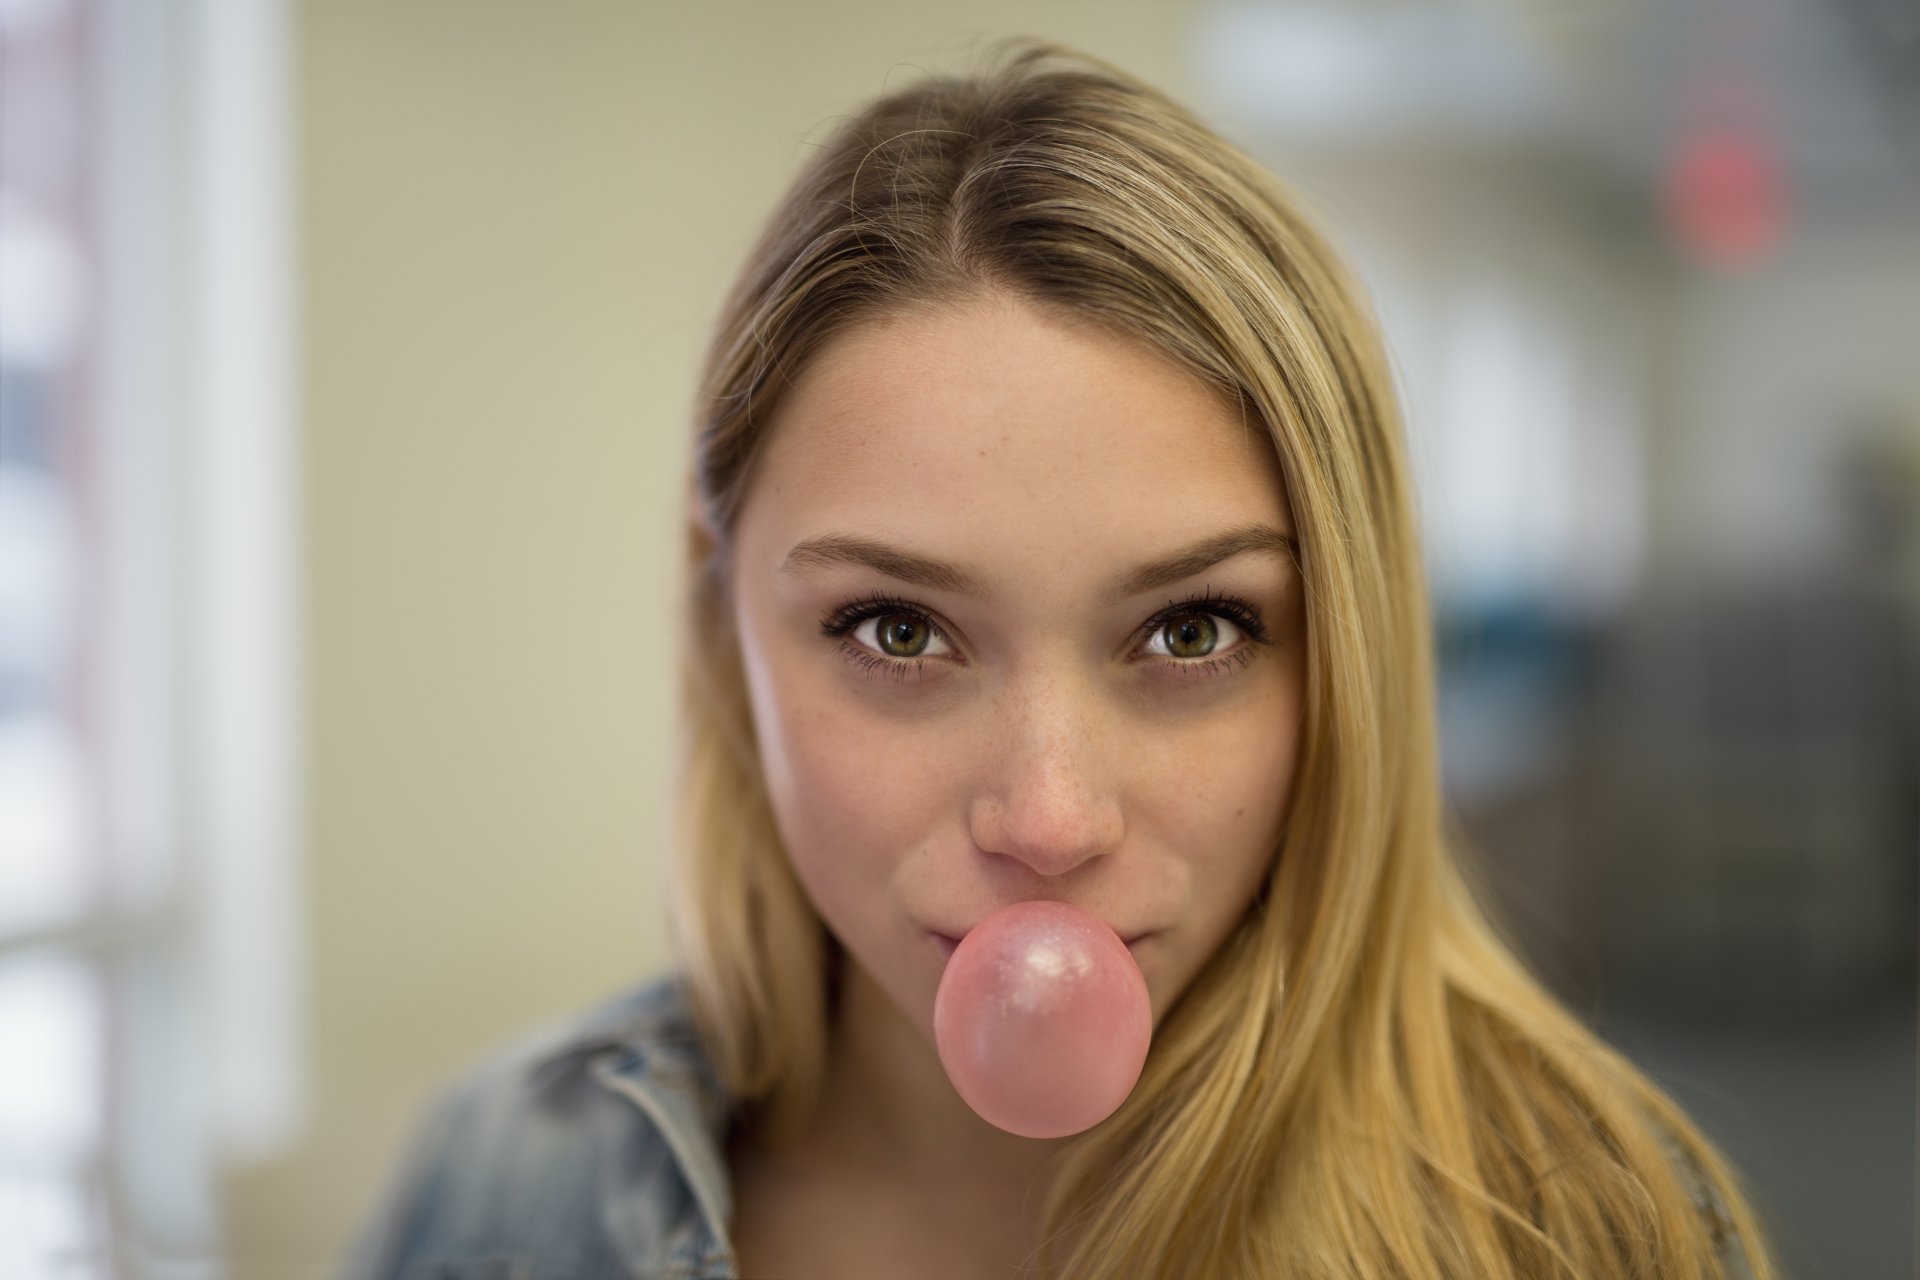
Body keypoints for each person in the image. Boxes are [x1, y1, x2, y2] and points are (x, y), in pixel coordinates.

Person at [343, 38, 1777, 1280]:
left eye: (1191, 631)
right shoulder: (506, 1190)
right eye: (897, 630)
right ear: (724, 629)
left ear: (1345, 655)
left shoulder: (1580, 1226)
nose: (1048, 819)